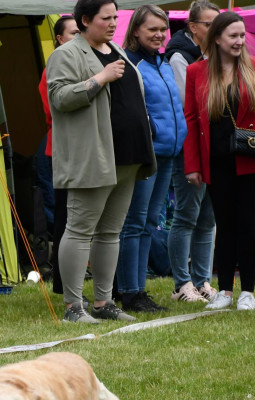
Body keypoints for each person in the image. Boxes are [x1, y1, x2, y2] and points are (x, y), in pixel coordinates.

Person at [46, 0, 156, 324]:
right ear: (85, 20)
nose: (112, 24)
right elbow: (60, 98)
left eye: (115, 18)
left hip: (127, 158)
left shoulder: (116, 49)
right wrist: (101, 78)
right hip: (93, 158)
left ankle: (103, 302)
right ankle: (72, 307)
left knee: (111, 232)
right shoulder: (64, 55)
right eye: (105, 19)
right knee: (79, 230)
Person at [184, 11, 255, 311]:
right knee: (224, 224)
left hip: (248, 159)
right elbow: (191, 120)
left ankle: (247, 290)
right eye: (233, 36)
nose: (240, 41)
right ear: (217, 38)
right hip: (216, 162)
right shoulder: (197, 72)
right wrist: (192, 164)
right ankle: (225, 291)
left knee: (248, 223)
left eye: (242, 35)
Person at [116, 4, 187, 313]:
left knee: (149, 223)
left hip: (168, 153)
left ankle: (138, 289)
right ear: (135, 31)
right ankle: (129, 291)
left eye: (163, 29)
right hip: (145, 155)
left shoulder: (164, 63)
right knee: (134, 222)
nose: (160, 35)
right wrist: (155, 129)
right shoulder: (129, 64)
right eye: (152, 29)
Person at [164, 0, 220, 304]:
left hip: (212, 146)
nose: (215, 30)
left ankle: (202, 281)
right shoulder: (179, 56)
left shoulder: (212, 53)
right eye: (210, 24)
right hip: (189, 146)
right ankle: (181, 285)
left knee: (207, 218)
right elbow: (191, 104)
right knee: (186, 216)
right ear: (193, 26)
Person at [37, 15, 81, 295]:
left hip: (83, 150)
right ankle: (63, 282)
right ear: (60, 39)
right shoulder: (52, 69)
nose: (78, 37)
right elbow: (55, 113)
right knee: (66, 217)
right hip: (64, 150)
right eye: (73, 33)